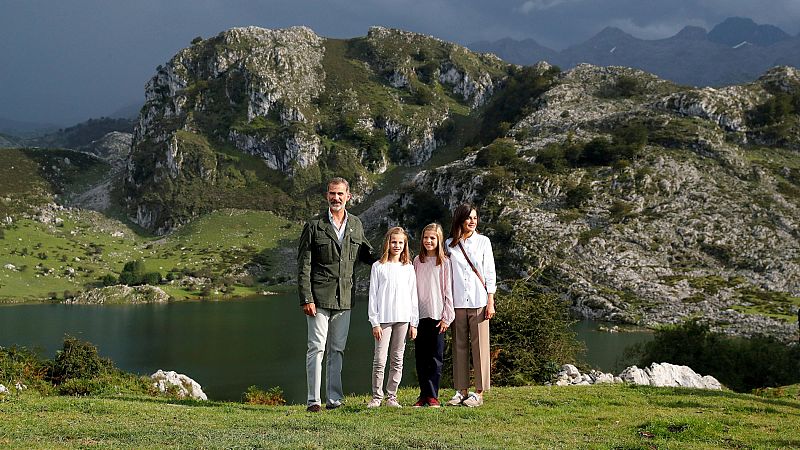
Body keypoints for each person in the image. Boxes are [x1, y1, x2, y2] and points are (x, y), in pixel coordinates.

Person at [298, 177, 375, 412]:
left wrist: (393, 259)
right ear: (327, 196)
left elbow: (367, 254)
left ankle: (334, 399)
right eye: (332, 193)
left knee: (337, 350)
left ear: (348, 196)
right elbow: (303, 265)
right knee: (316, 348)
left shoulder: (356, 224)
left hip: (345, 297)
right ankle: (313, 400)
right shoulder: (314, 225)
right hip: (319, 297)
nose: (336, 198)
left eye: (340, 194)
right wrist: (306, 298)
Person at [445, 204, 496, 407]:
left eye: (475, 217)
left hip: (479, 301)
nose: (473, 221)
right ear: (460, 220)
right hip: (457, 302)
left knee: (480, 347)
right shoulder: (449, 244)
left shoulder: (484, 242)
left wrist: (490, 301)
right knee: (459, 347)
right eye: (468, 218)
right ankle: (461, 391)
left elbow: (490, 272)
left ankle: (479, 393)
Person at [366, 227, 419, 408]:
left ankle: (392, 397)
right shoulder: (378, 267)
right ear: (388, 243)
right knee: (380, 359)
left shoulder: (408, 268)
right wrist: (374, 322)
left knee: (397, 359)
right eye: (394, 242)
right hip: (383, 319)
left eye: (400, 242)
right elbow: (373, 296)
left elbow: (413, 296)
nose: (397, 245)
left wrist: (414, 323)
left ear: (405, 245)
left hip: (403, 319)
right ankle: (376, 397)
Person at [412, 223, 454, 408]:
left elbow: (448, 290)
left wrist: (447, 316)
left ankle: (433, 395)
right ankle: (423, 395)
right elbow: (412, 289)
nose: (428, 241)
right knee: (421, 357)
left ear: (439, 240)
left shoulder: (444, 262)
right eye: (425, 237)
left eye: (432, 238)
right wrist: (412, 317)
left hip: (438, 315)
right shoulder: (417, 261)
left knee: (435, 357)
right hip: (420, 315)